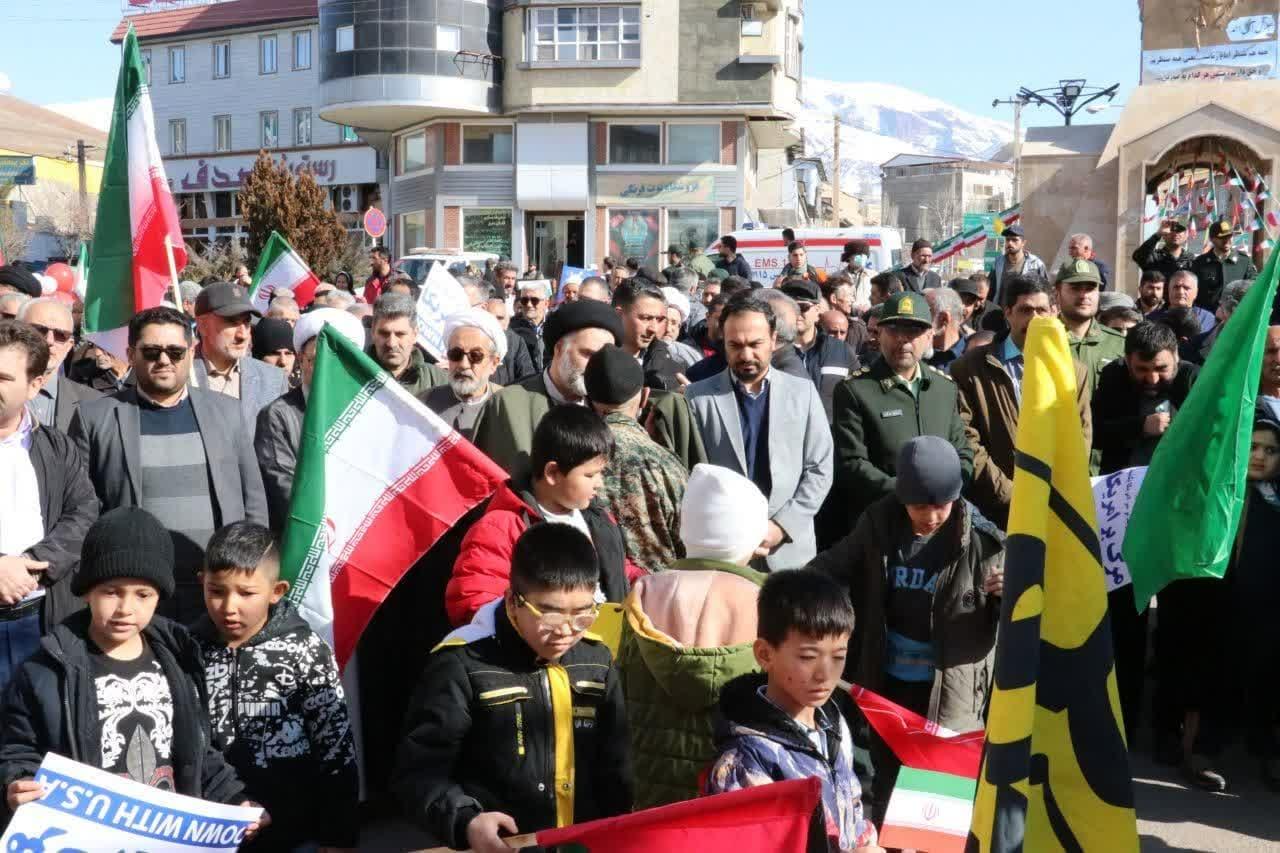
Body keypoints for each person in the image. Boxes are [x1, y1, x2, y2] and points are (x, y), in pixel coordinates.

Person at [0, 508, 261, 832]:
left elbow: (198, 750)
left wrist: (235, 801)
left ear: (159, 598)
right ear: (86, 592)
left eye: (142, 595)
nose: (125, 608)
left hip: (166, 836)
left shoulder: (180, 662)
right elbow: (17, 748)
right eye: (111, 592)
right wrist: (17, 781)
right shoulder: (46, 670)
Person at [396, 523, 632, 852]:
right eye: (549, 614)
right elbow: (418, 773)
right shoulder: (463, 664)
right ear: (512, 601)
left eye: (582, 614)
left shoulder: (597, 659)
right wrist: (467, 821)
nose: (566, 630)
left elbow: (616, 765)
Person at [811, 436, 1002, 816]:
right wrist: (786, 590)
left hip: (950, 689)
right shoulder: (878, 523)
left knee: (938, 797)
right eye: (918, 507)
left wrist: (1007, 594)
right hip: (889, 686)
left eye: (941, 507)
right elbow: (833, 566)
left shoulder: (984, 541)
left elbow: (1021, 614)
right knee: (888, 784)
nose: (930, 517)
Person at [70, 306, 268, 623]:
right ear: (130, 353)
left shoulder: (228, 412)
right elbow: (81, 507)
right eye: (151, 351)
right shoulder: (95, 417)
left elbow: (253, 499)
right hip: (138, 593)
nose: (164, 360)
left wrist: (252, 569)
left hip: (216, 590)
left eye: (175, 352)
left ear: (191, 352)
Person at [192, 521, 358, 850]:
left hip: (296, 833)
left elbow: (336, 748)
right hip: (214, 831)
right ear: (202, 583)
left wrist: (339, 836)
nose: (229, 607)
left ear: (276, 591)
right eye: (217, 591)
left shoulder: (304, 651)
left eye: (246, 593)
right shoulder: (189, 650)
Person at [617, 464, 768, 808]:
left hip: (648, 787)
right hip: (734, 788)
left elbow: (621, 684)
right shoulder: (770, 602)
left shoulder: (643, 592)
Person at [704, 570, 880, 853]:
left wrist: (866, 840)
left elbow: (851, 802)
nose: (825, 674)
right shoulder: (745, 758)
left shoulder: (833, 724)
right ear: (764, 654)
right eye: (808, 657)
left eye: (838, 657)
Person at [1092, 321, 1199, 749]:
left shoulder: (1193, 378)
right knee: (1124, 624)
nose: (1152, 379)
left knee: (1176, 626)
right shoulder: (1113, 380)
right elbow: (1096, 430)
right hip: (1124, 519)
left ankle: (1166, 729)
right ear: (1127, 362)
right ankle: (1123, 719)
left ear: (1176, 358)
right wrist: (1141, 428)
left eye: (1161, 369)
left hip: (1176, 519)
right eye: (1142, 370)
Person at [447, 405, 633, 626]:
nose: (599, 484)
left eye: (601, 473)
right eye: (590, 474)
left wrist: (644, 584)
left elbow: (618, 570)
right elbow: (473, 599)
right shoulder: (503, 528)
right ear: (553, 473)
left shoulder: (598, 519)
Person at [686, 292, 833, 571]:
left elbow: (820, 469)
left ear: (774, 341)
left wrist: (781, 526)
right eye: (735, 345)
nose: (746, 355)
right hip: (724, 553)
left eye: (755, 344)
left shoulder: (802, 393)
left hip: (789, 551)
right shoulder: (697, 398)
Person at [0, 321, 97, 691]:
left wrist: (32, 566)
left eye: (3, 377)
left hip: (41, 619)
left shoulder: (56, 447)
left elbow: (83, 511)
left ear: (35, 385)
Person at [951, 275, 1091, 528]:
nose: (1035, 319)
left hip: (1054, 509)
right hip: (993, 511)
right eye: (1026, 310)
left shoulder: (1074, 371)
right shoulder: (970, 368)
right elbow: (966, 439)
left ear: (1054, 313)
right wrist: (1011, 495)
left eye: (1042, 310)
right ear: (1008, 313)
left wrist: (1055, 495)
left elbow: (1081, 437)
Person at [832, 291, 973, 525]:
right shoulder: (854, 390)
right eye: (894, 329)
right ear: (879, 334)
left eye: (914, 331)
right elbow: (852, 463)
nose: (903, 339)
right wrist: (911, 496)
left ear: (929, 336)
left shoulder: (944, 388)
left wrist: (946, 494)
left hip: (941, 518)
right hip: (882, 522)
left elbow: (963, 452)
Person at [471, 300, 624, 475]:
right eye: (588, 354)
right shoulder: (508, 405)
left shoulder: (610, 408)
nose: (596, 365)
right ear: (559, 349)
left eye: (603, 357)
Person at [255, 309, 366, 535]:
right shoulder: (278, 415)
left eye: (336, 360)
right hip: (308, 539)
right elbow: (285, 490)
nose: (326, 369)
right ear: (301, 361)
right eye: (317, 359)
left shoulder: (367, 411)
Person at [586, 346, 687, 575]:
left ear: (588, 400)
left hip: (593, 597)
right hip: (661, 595)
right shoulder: (665, 463)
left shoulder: (575, 458)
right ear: (644, 396)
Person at [1224, 416, 1280, 791]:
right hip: (1222, 601)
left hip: (1268, 606)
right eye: (1253, 447)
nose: (1259, 457)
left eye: (1270, 450)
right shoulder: (1224, 493)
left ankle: (1266, 750)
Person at [191, 282, 289, 431]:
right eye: (232, 322)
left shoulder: (273, 380)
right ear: (203, 325)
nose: (242, 335)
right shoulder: (181, 375)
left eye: (247, 323)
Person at [16, 298, 100, 431]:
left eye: (61, 335)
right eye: (38, 330)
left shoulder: (95, 404)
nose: (49, 340)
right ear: (15, 333)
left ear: (69, 346)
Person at [422, 309, 505, 442]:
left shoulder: (506, 407)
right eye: (456, 354)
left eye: (475, 356)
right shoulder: (425, 403)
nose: (463, 364)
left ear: (494, 363)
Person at [780, 277, 856, 420]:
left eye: (803, 307)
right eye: (791, 308)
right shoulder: (772, 352)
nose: (796, 314)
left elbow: (859, 396)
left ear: (817, 311)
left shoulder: (841, 350)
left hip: (832, 436)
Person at [1054, 259, 1126, 397]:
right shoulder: (1043, 341)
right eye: (1075, 288)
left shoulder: (1119, 344)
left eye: (1090, 288)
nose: (1084, 295)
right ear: (1058, 291)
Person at [369, 292, 448, 400]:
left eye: (400, 334)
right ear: (373, 332)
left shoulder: (439, 380)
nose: (392, 343)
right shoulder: (352, 376)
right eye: (384, 333)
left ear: (415, 335)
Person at [613, 278, 683, 390]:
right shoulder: (591, 362)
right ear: (619, 314)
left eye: (660, 319)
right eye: (645, 318)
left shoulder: (672, 372)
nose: (654, 329)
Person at [1192, 219, 1257, 310]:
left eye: (1229, 236)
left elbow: (1253, 287)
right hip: (1208, 316)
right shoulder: (1199, 263)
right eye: (1222, 237)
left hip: (1235, 316)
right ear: (1212, 239)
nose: (1227, 240)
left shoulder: (1244, 261)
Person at [987, 225, 1047, 307]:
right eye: (1007, 240)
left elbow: (1044, 291)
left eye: (1014, 240)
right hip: (1000, 314)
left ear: (1023, 243)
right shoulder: (998, 263)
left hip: (1025, 313)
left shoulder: (1036, 264)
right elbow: (990, 291)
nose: (1010, 243)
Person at [1149, 270, 1216, 335]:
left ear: (1196, 292)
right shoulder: (1152, 320)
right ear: (1169, 290)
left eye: (1186, 288)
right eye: (1176, 287)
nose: (1180, 292)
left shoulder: (1207, 319)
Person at [1132, 219, 1195, 283]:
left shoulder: (1191, 260)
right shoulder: (1154, 257)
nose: (1175, 233)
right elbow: (1138, 256)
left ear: (1185, 235)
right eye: (1171, 229)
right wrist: (1157, 235)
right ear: (1163, 236)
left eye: (1179, 229)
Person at [923, 286, 968, 373]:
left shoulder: (972, 358)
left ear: (944, 319)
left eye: (925, 313)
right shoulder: (917, 353)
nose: (919, 319)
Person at [511, 280, 551, 374]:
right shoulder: (512, 327)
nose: (529, 305)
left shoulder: (555, 324)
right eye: (524, 300)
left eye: (534, 300)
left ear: (546, 303)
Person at [250, 317, 296, 385]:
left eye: (288, 353)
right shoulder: (243, 391)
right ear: (257, 357)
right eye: (274, 354)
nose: (283, 362)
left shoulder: (306, 391)